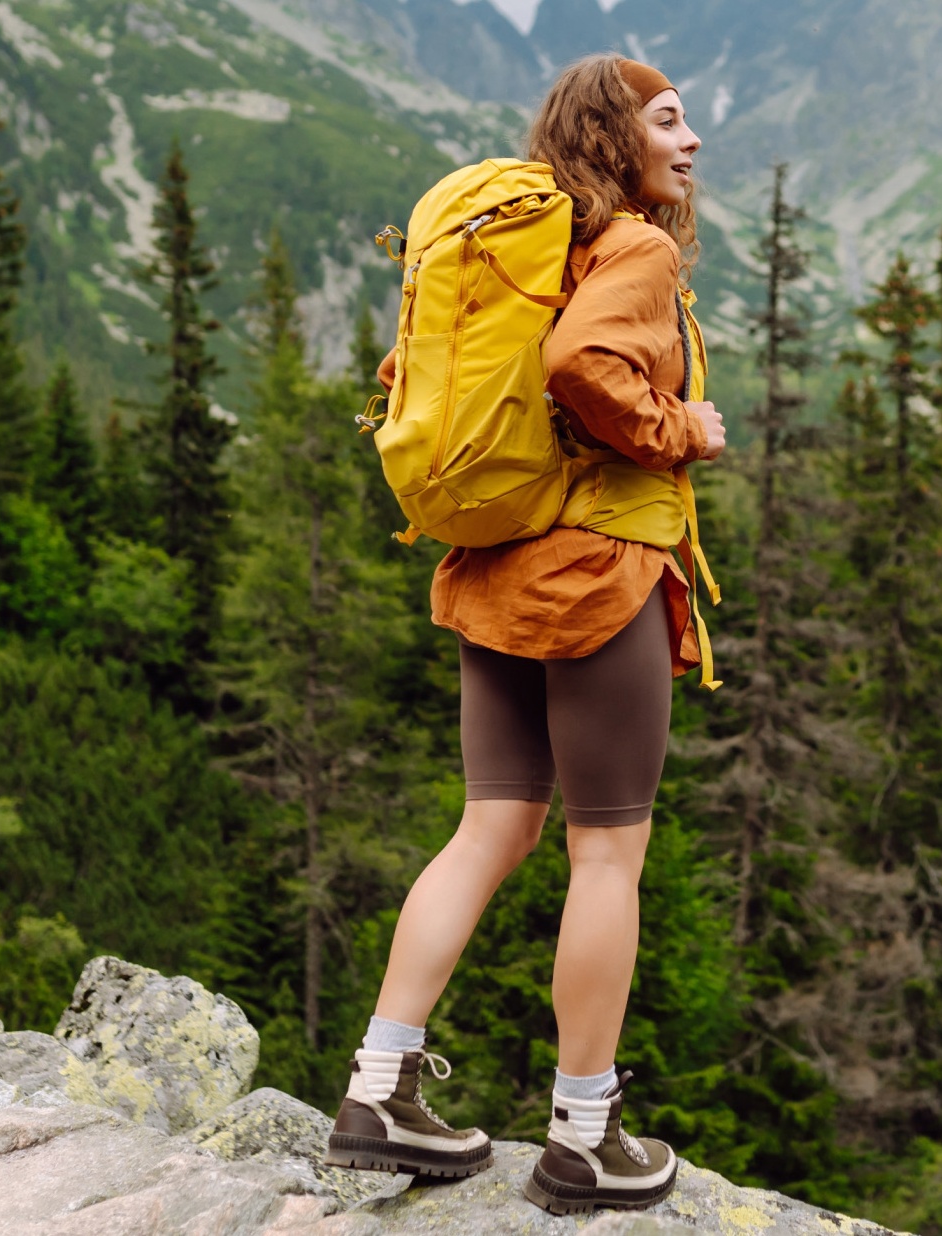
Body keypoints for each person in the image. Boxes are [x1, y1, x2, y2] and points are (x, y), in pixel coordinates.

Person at [324, 54, 725, 1217]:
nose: (691, 139)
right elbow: (578, 365)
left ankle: (379, 1086)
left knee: (488, 828)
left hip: (497, 571)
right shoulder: (634, 250)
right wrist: (678, 428)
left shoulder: (523, 249)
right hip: (599, 575)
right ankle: (585, 1137)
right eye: (667, 119)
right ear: (616, 135)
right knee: (606, 856)